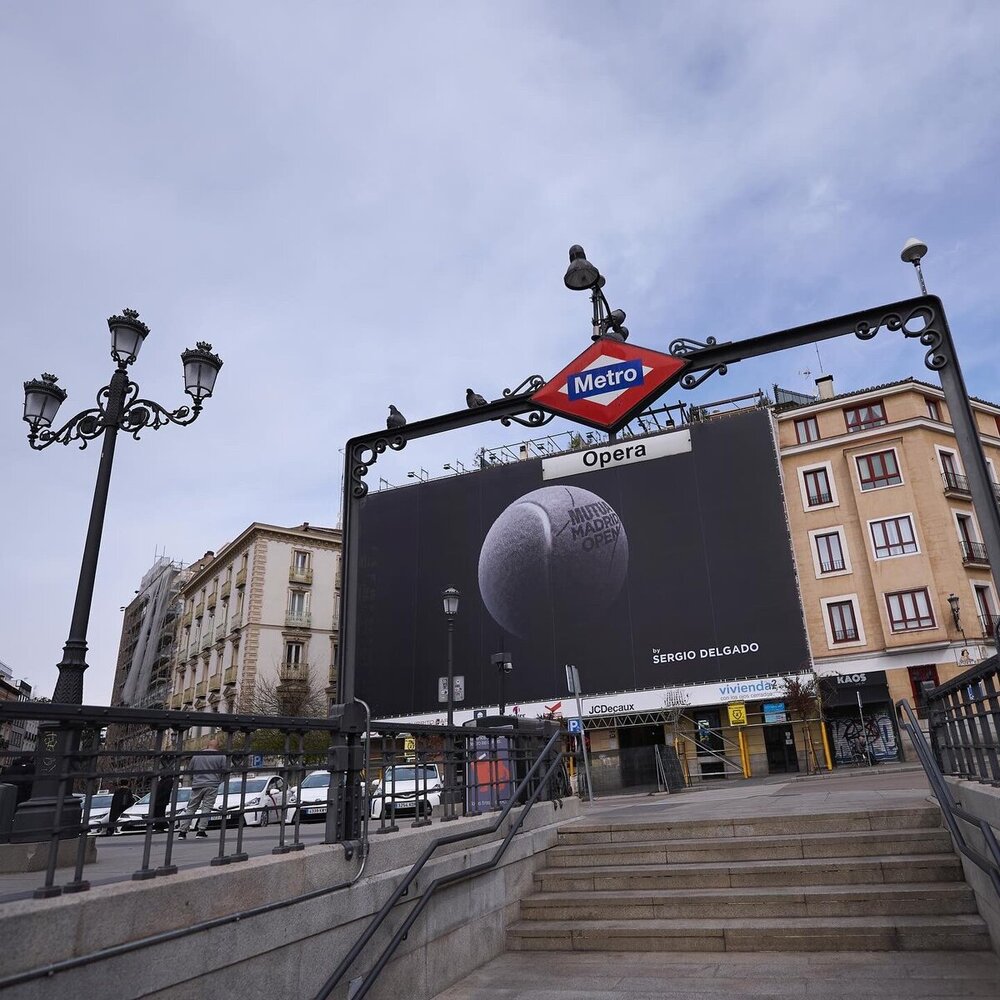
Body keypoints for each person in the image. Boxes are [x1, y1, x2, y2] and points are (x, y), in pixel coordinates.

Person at [177, 737, 227, 839]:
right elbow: (225, 771)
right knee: (206, 808)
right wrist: (218, 781)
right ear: (217, 746)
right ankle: (201, 831)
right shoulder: (221, 756)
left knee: (191, 808)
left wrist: (194, 780)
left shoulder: (197, 755)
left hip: (197, 784)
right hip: (212, 784)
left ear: (207, 745)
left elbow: (190, 770)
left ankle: (182, 832)